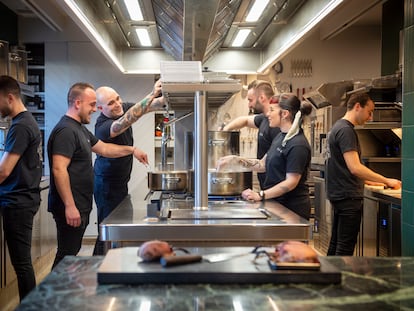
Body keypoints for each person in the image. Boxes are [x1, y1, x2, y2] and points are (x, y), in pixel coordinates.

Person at [47, 82, 163, 269]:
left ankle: (94, 277)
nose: (94, 110)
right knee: (67, 254)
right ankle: (50, 297)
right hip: (73, 203)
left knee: (73, 250)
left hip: (81, 202)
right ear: (78, 103)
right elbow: (59, 169)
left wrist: (132, 149)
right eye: (92, 105)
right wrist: (70, 206)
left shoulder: (79, 129)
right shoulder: (67, 131)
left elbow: (105, 149)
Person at [93, 80, 164, 255]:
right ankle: (100, 265)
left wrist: (170, 93)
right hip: (106, 185)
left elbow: (151, 106)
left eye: (118, 99)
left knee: (113, 229)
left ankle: (109, 261)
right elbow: (126, 120)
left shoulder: (121, 107)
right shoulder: (102, 127)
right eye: (111, 103)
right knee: (108, 230)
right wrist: (152, 92)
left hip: (120, 182)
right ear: (100, 109)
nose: (118, 104)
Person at [326, 92, 401, 256]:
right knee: (344, 249)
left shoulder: (337, 127)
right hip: (348, 198)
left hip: (340, 194)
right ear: (358, 106)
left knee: (336, 245)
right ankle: (339, 280)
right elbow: (355, 167)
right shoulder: (346, 131)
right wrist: (386, 180)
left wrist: (369, 182)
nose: (370, 117)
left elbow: (343, 168)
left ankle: (328, 278)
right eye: (369, 111)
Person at [217, 93, 313, 220]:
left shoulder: (297, 144)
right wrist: (235, 160)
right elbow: (262, 165)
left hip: (292, 210)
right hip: (278, 205)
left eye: (272, 110)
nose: (267, 114)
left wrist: (260, 195)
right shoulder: (281, 137)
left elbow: (291, 182)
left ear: (284, 114)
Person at [0, 75, 42, 300]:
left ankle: (30, 306)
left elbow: (4, 170)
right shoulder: (26, 122)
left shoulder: (21, 125)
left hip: (18, 203)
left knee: (22, 263)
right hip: (22, 200)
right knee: (22, 262)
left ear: (8, 97)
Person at [221, 80, 280, 188]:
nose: (249, 105)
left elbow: (264, 164)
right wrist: (225, 130)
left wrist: (235, 161)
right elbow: (245, 120)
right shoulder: (265, 119)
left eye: (250, 100)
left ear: (262, 98)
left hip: (277, 190)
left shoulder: (276, 127)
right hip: (268, 188)